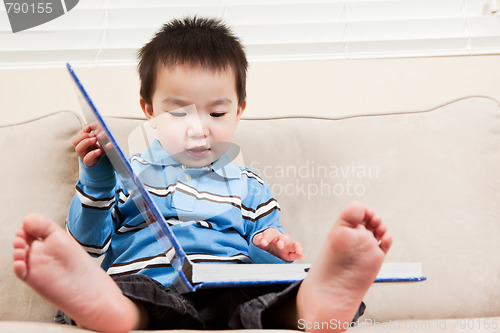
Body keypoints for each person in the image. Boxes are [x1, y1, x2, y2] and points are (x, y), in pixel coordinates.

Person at [12, 17, 392, 333]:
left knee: (271, 296)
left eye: (216, 113)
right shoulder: (129, 173)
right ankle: (106, 308)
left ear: (239, 110)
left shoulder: (250, 185)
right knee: (132, 297)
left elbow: (265, 247)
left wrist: (272, 247)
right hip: (150, 286)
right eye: (179, 113)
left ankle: (316, 305)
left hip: (227, 290)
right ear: (149, 109)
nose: (199, 129)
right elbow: (88, 246)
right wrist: (97, 180)